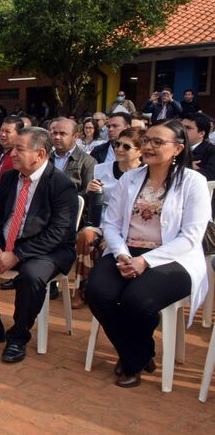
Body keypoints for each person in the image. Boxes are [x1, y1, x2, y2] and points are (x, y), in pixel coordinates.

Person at [85, 120, 210, 387]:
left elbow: (190, 237)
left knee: (138, 300)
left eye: (157, 142)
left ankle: (131, 360)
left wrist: (145, 261)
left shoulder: (193, 182)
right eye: (147, 141)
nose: (149, 146)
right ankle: (139, 354)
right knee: (97, 292)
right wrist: (120, 254)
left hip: (173, 257)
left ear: (177, 148)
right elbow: (111, 223)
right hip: (126, 250)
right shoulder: (130, 178)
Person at [0, 127, 78, 364]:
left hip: (46, 249)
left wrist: (17, 255)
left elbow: (59, 233)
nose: (12, 154)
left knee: (31, 277)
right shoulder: (10, 177)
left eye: (19, 149)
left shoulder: (61, 184)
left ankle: (18, 337)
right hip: (5, 243)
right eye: (12, 149)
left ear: (40, 154)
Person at [72, 127, 144, 308]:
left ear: (140, 151)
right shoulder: (101, 169)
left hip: (132, 226)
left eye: (126, 147)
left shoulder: (146, 174)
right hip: (103, 222)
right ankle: (82, 289)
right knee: (86, 235)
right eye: (117, 144)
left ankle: (120, 291)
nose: (119, 149)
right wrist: (90, 191)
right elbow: (92, 204)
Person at [49, 117, 96, 194]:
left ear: (75, 136)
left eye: (62, 134)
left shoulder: (88, 162)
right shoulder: (45, 159)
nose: (57, 137)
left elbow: (89, 191)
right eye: (55, 133)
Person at [182, 112, 215, 181]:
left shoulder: (211, 151)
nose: (182, 130)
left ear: (201, 133)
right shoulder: (173, 147)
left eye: (187, 128)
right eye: (181, 127)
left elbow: (210, 176)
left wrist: (187, 167)